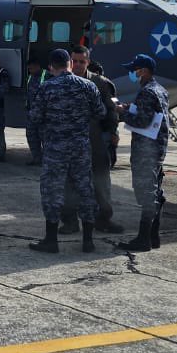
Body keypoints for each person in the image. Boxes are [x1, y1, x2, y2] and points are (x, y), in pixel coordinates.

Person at [28, 49, 104, 254]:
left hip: (55, 148)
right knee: (85, 190)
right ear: (70, 62)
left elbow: (35, 117)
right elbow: (100, 112)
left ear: (52, 66)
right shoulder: (88, 86)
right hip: (80, 147)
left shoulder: (46, 88)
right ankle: (88, 241)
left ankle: (51, 240)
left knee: (52, 191)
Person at [62, 44, 125, 233]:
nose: (79, 65)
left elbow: (111, 111)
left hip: (95, 140)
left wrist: (112, 134)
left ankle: (103, 219)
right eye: (75, 61)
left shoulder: (100, 83)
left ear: (88, 62)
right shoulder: (62, 82)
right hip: (70, 143)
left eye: (82, 61)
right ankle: (70, 221)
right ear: (69, 62)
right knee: (69, 183)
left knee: (101, 182)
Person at [115, 54, 169, 252]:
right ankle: (153, 237)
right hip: (157, 148)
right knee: (155, 192)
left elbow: (142, 121)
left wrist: (122, 112)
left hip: (146, 150)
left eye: (135, 70)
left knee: (146, 194)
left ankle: (143, 239)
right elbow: (149, 112)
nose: (132, 73)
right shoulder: (160, 90)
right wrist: (128, 107)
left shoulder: (147, 92)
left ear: (144, 71)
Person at [24, 53, 46, 166]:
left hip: (43, 115)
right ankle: (36, 158)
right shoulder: (30, 77)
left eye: (31, 68)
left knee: (45, 138)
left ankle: (47, 160)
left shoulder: (47, 76)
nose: (30, 70)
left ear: (37, 66)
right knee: (32, 136)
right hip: (32, 113)